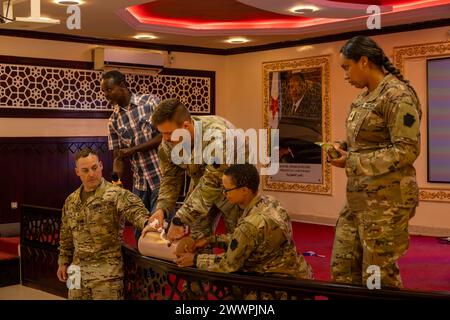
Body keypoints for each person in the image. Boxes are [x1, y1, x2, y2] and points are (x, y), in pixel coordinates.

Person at [329, 36, 421, 288]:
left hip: (387, 202)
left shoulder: (397, 96)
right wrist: (342, 147)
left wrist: (352, 162)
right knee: (343, 268)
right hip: (359, 198)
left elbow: (406, 150)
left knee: (377, 278)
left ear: (364, 61)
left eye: (346, 67)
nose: (345, 75)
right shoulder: (362, 98)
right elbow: (367, 142)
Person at [175, 164, 313, 281]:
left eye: (227, 190)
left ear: (244, 190)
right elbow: (247, 240)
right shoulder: (269, 201)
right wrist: (210, 240)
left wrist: (194, 259)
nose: (224, 194)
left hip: (277, 283)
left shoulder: (249, 225)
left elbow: (228, 264)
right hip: (297, 270)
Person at [144, 98, 245, 243]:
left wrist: (180, 219)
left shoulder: (218, 137)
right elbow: (171, 179)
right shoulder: (169, 143)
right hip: (201, 183)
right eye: (162, 133)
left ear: (185, 126)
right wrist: (162, 209)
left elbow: (212, 184)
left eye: (169, 133)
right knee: (197, 238)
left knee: (238, 239)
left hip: (236, 187)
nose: (165, 139)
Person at [56, 148, 151, 299]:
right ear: (77, 172)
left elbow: (136, 211)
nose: (91, 174)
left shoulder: (115, 194)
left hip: (106, 273)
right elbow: (66, 235)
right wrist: (63, 262)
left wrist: (148, 224)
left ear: (101, 166)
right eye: (85, 170)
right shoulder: (71, 201)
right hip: (76, 271)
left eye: (94, 168)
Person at [102, 70, 162, 242]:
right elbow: (118, 157)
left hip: (161, 179)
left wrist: (133, 150)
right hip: (140, 184)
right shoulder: (113, 121)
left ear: (122, 86)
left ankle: (160, 270)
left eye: (109, 90)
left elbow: (163, 136)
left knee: (159, 233)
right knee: (140, 234)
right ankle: (145, 270)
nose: (106, 95)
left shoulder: (150, 102)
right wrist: (115, 184)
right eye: (104, 91)